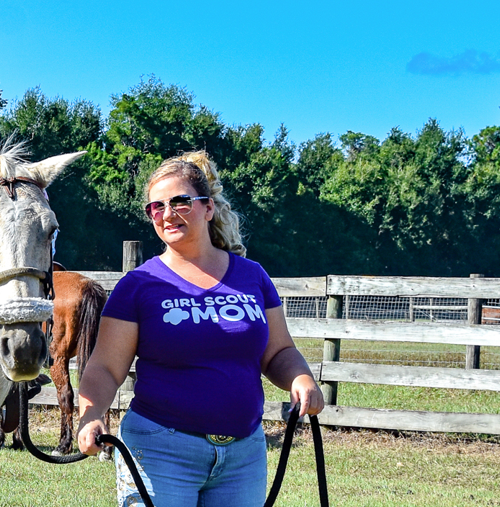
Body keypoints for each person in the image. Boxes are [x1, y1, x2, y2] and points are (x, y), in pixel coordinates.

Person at [74, 151, 324, 507]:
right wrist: (91, 415)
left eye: (180, 201)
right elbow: (105, 367)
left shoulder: (252, 276)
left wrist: (300, 378)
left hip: (244, 454)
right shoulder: (138, 285)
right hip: (160, 451)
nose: (167, 213)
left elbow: (279, 352)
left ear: (208, 208)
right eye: (156, 207)